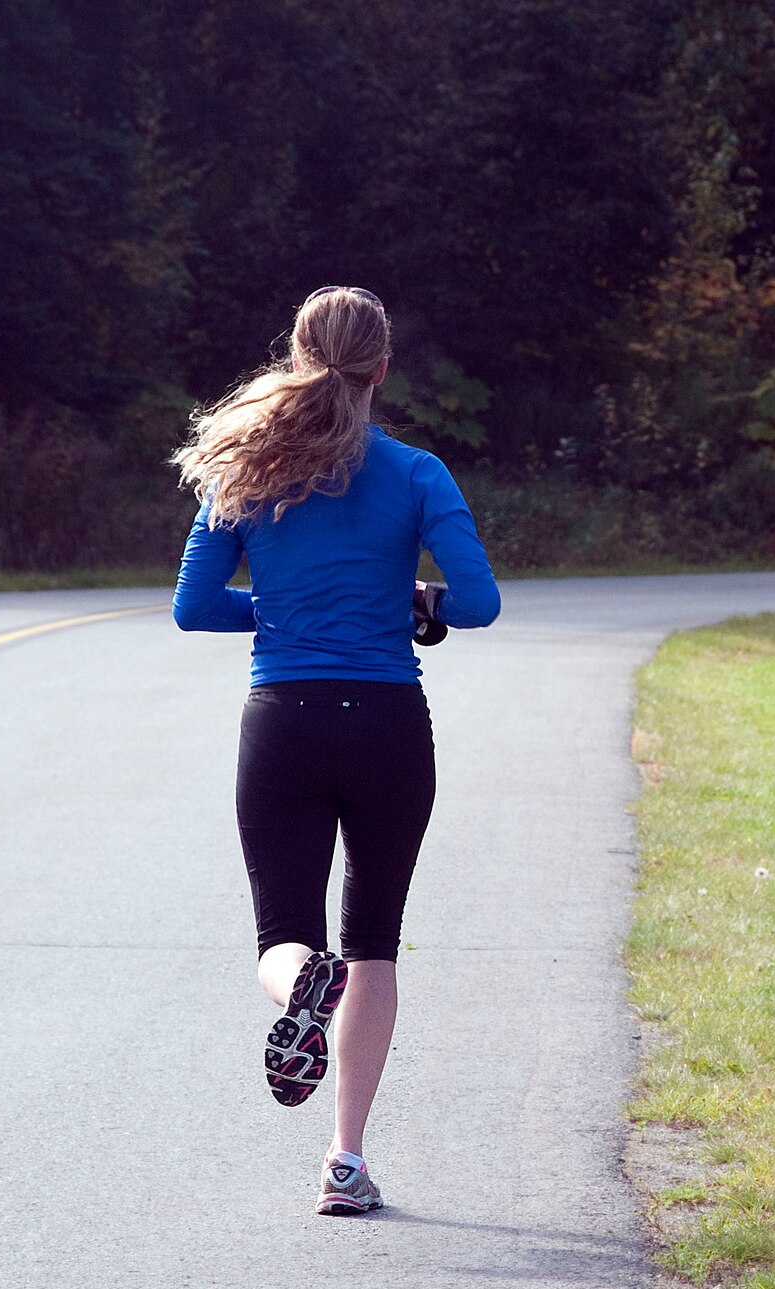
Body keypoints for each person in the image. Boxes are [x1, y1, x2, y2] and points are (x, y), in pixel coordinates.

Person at [169, 285, 500, 1215]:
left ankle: (300, 985)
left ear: (297, 356)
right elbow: (477, 603)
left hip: (284, 718)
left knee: (283, 933)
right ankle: (345, 1162)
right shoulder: (418, 472)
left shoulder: (245, 470)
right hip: (389, 723)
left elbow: (194, 608)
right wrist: (414, 603)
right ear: (382, 369)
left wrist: (279, 611)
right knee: (375, 943)